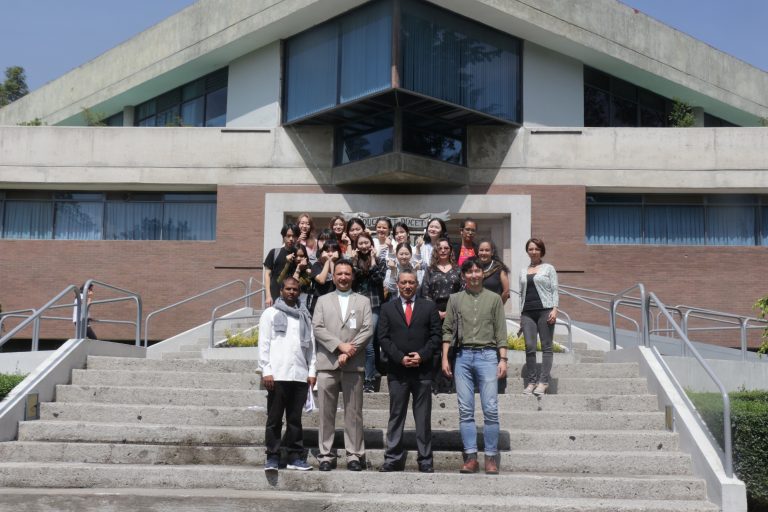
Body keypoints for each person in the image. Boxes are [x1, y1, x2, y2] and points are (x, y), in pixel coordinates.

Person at [442, 257, 507, 475]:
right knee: (465, 410)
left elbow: (501, 331)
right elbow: (447, 330)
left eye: (477, 271)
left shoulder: (495, 299)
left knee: (490, 408)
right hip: (462, 357)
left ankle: (490, 457)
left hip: (488, 356)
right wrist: (444, 358)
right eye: (469, 272)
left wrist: (503, 359)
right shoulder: (455, 299)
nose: (474, 275)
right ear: (464, 276)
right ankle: (471, 457)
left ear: (483, 274)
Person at [377, 269, 441, 473]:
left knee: (422, 417)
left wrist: (421, 355)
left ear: (417, 284)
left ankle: (425, 460)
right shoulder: (387, 308)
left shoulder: (428, 307)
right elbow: (383, 338)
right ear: (397, 284)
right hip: (398, 371)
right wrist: (400, 358)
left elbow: (436, 337)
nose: (407, 286)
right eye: (403, 282)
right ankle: (392, 457)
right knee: (396, 415)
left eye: (411, 282)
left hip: (422, 372)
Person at [312, 259, 373, 471]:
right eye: (339, 274)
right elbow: (317, 328)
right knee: (326, 413)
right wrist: (340, 346)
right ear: (333, 276)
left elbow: (367, 329)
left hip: (353, 364)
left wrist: (350, 349)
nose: (343, 277)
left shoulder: (363, 301)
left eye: (347, 273)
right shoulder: (323, 300)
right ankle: (326, 455)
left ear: (352, 276)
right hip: (327, 363)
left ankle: (354, 454)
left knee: (354, 412)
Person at [258, 277, 317, 472]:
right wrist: (266, 370)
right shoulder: (270, 313)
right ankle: (272, 457)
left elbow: (311, 348)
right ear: (281, 290)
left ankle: (294, 456)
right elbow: (264, 343)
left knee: (295, 420)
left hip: (299, 375)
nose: (291, 292)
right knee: (274, 419)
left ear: (299, 292)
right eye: (288, 289)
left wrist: (312, 371)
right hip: (277, 375)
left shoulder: (305, 316)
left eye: (295, 289)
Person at [419, 237, 463, 394]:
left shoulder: (458, 270)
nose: (443, 250)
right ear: (436, 251)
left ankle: (449, 384)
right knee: (436, 348)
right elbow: (425, 292)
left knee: (451, 348)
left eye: (446, 248)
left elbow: (462, 291)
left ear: (451, 250)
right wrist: (435, 311)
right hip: (434, 311)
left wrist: (450, 311)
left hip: (455, 311)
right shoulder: (430, 270)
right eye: (440, 248)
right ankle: (434, 383)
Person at [519, 238, 558, 397]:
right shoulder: (523, 270)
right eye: (530, 249)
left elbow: (555, 289)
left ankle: (543, 382)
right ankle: (532, 381)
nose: (533, 251)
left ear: (541, 250)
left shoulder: (548, 268)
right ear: (527, 251)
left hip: (545, 310)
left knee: (546, 347)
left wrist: (555, 309)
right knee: (529, 346)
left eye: (536, 249)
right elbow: (521, 293)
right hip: (527, 312)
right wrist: (521, 316)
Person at [350, 232, 387, 393]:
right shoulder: (353, 262)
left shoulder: (380, 261)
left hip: (374, 306)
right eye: (360, 244)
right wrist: (353, 260)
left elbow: (377, 278)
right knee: (356, 342)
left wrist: (372, 259)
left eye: (366, 243)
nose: (363, 246)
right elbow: (352, 278)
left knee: (369, 344)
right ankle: (356, 377)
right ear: (356, 246)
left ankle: (369, 381)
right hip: (355, 306)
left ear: (371, 244)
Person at [263, 223, 298, 307]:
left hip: (293, 298)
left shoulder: (299, 254)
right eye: (288, 236)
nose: (291, 239)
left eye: (293, 236)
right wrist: (268, 296)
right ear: (283, 237)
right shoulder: (274, 252)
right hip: (275, 296)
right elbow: (267, 274)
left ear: (297, 237)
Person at [277, 244, 314, 311]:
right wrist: (288, 263)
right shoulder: (288, 264)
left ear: (306, 257)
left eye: (301, 256)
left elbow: (298, 285)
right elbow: (280, 281)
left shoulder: (308, 268)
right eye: (296, 256)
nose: (298, 258)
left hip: (303, 304)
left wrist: (299, 269)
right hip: (287, 301)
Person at [477, 239, 510, 304]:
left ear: (492, 253)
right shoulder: (474, 267)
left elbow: (506, 291)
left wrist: (499, 307)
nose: (484, 253)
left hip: (493, 308)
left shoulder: (499, 268)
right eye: (481, 250)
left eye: (487, 250)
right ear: (478, 252)